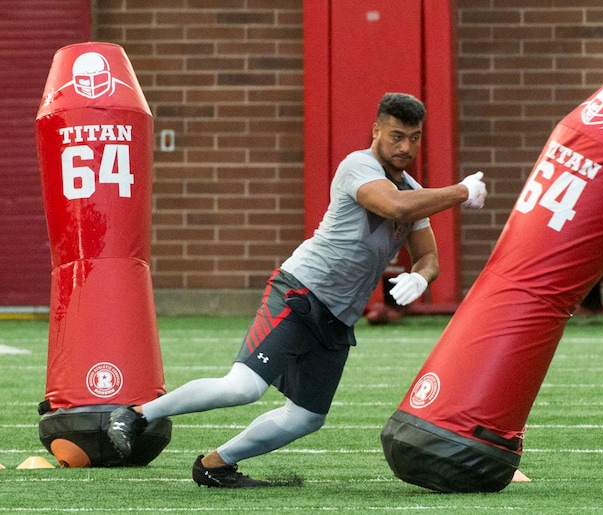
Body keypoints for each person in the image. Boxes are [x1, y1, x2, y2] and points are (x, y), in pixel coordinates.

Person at [107, 92, 487, 488]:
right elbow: (396, 208)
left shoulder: (412, 188)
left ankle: (215, 465)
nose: (405, 147)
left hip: (338, 318)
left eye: (414, 137)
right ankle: (136, 415)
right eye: (396, 136)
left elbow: (429, 257)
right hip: (300, 293)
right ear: (376, 130)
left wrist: (420, 278)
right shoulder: (359, 166)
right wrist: (461, 191)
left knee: (306, 417)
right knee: (243, 388)